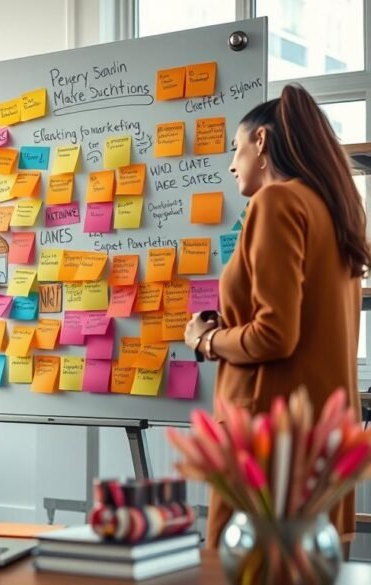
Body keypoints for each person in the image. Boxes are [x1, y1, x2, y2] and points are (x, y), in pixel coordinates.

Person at [183, 84, 371, 549]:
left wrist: (205, 339)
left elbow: (274, 336)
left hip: (270, 438)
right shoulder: (336, 212)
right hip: (324, 439)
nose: (231, 164)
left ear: (262, 143)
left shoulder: (276, 202)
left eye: (236, 148)